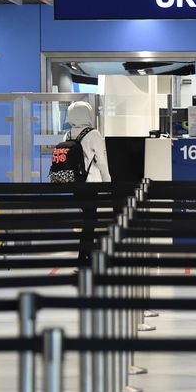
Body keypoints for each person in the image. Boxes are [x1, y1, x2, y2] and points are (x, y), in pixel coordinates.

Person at [65, 101, 110, 270]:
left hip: (75, 184)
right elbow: (102, 161)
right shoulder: (94, 134)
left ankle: (84, 255)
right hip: (91, 184)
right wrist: (108, 182)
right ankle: (84, 256)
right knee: (90, 220)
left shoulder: (68, 134)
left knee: (86, 219)